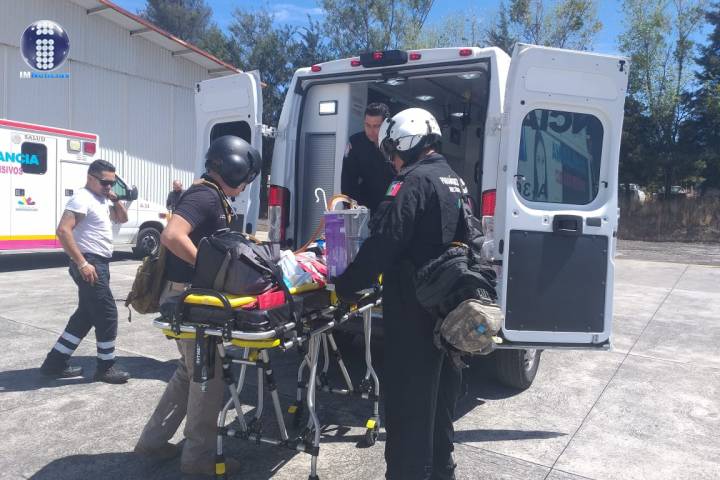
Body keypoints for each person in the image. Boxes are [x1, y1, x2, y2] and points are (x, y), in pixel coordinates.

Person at [335, 108, 464, 480]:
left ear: (406, 143)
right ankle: (441, 472)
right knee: (439, 402)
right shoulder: (454, 179)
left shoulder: (411, 181)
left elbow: (384, 242)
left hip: (413, 311)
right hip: (448, 311)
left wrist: (346, 286)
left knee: (408, 406)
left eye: (392, 151)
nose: (392, 160)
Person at [134, 135, 262, 476]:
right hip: (187, 297)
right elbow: (172, 235)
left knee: (189, 371)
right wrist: (211, 270)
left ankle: (152, 442)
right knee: (208, 376)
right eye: (247, 177)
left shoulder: (212, 195)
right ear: (236, 168)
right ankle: (198, 459)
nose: (245, 185)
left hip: (187, 296)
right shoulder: (204, 195)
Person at [40, 159, 130, 384]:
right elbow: (63, 230)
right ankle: (106, 367)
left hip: (100, 263)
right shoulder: (82, 198)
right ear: (90, 178)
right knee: (107, 313)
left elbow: (122, 218)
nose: (108, 186)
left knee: (86, 315)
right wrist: (81, 263)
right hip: (90, 263)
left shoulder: (102, 199)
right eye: (105, 182)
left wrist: (115, 199)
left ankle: (54, 363)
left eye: (112, 183)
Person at [341, 102, 396, 212]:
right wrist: (350, 208)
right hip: (365, 206)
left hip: (393, 205)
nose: (371, 131)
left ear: (386, 125)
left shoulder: (397, 143)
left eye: (376, 126)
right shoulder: (356, 143)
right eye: (367, 125)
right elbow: (348, 180)